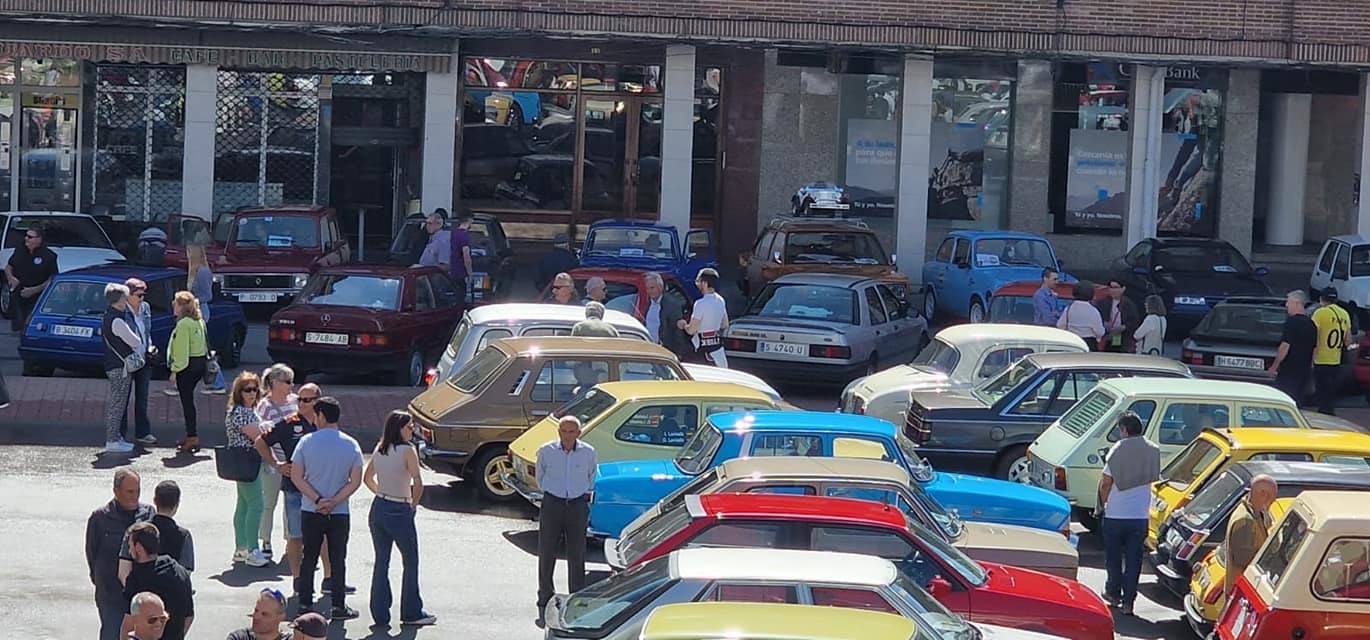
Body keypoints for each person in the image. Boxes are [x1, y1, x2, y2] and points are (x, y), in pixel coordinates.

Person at [292, 396, 364, 619]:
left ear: (321, 416)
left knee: (309, 556)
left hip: (311, 510)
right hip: (339, 511)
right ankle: (338, 606)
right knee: (338, 558)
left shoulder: (306, 442)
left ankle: (305, 603)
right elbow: (355, 480)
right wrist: (334, 501)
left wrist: (317, 499)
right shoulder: (351, 444)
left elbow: (297, 476)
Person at [254, 382, 332, 587]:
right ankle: (298, 578)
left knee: (324, 535)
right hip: (294, 490)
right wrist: (277, 464)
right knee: (295, 536)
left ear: (318, 401)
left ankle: (329, 577)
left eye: (307, 400)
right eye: (299, 399)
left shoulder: (325, 425)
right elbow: (261, 442)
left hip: (321, 489)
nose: (301, 403)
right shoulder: (288, 424)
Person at [364, 412, 436, 627]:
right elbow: (418, 482)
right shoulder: (407, 450)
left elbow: (368, 479)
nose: (411, 431)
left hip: (379, 506)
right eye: (409, 427)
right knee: (410, 561)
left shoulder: (380, 448)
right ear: (400, 429)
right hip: (399, 507)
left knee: (381, 561)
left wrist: (382, 493)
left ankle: (380, 613)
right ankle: (412, 611)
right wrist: (412, 505)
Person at [1094, 411, 1159, 615]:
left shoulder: (1117, 450)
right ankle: (1129, 602)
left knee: (1113, 557)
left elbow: (1106, 483)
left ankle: (1113, 593)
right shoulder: (1153, 450)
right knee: (1134, 560)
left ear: (1123, 430)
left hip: (1116, 515)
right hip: (1139, 516)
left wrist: (1103, 504)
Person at [535, 416, 596, 626]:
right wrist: (554, 492)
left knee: (577, 552)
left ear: (579, 433)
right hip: (553, 503)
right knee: (547, 550)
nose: (567, 436)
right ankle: (544, 595)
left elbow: (591, 476)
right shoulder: (547, 451)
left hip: (577, 505)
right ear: (558, 432)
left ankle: (576, 595)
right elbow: (540, 477)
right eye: (563, 431)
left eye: (571, 432)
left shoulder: (588, 452)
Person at [87, 468, 155, 640]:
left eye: (138, 491)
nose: (135, 496)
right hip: (111, 595)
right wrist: (101, 581)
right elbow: (92, 553)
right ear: (116, 491)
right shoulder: (100, 518)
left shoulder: (148, 514)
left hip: (142, 594)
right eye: (130, 492)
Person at [121, 522, 194, 640]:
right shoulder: (180, 572)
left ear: (138, 548)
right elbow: (189, 616)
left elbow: (129, 624)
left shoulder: (136, 579)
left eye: (130, 546)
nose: (129, 551)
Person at [255, 363, 298, 563]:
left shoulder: (295, 402)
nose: (291, 385)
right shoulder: (264, 406)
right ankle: (265, 542)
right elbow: (262, 437)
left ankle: (291, 541)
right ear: (274, 383)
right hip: (273, 462)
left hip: (293, 462)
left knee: (291, 503)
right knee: (268, 503)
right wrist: (275, 462)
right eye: (287, 381)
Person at [228, 371, 270, 568]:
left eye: (255, 389)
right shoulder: (241, 412)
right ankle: (253, 549)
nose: (252, 393)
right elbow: (258, 436)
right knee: (256, 504)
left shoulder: (245, 411)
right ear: (239, 392)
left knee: (243, 505)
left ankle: (241, 547)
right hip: (247, 462)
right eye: (247, 390)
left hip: (244, 463)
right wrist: (267, 428)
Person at [102, 283, 143, 454]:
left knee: (117, 403)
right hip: (120, 366)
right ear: (119, 301)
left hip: (115, 364)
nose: (127, 301)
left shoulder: (109, 316)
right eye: (125, 298)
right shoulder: (117, 320)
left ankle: (116, 437)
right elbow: (135, 341)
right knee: (117, 404)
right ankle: (112, 440)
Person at [1223, 474, 1279, 599]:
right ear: (1263, 494)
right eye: (1272, 497)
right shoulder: (1245, 520)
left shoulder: (1254, 513)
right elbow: (1243, 559)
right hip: (1240, 590)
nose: (1273, 501)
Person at [167, 292, 208, 453]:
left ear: (182, 306)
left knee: (187, 403)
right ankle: (191, 434)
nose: (173, 306)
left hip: (187, 367)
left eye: (176, 304)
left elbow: (182, 351)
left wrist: (175, 371)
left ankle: (192, 436)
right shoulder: (198, 321)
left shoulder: (183, 324)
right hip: (199, 365)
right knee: (188, 401)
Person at [121, 278, 157, 445]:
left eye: (144, 295)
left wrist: (150, 347)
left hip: (143, 359)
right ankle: (119, 434)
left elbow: (147, 332)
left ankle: (143, 432)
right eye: (139, 295)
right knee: (122, 398)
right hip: (127, 360)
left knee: (142, 398)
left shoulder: (145, 308)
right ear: (128, 295)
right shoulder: (121, 310)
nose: (142, 298)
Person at [186, 244, 226, 394]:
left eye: (189, 251)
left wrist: (191, 297)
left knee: (202, 349)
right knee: (196, 348)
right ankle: (214, 382)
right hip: (197, 309)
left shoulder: (201, 272)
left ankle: (218, 382)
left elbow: (206, 295)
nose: (187, 255)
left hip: (200, 310)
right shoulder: (198, 270)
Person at [5, 224, 58, 332]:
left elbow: (52, 279)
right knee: (17, 327)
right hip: (18, 294)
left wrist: (34, 290)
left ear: (39, 239)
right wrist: (11, 278)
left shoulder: (49, 256)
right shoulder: (20, 249)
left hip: (36, 297)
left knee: (30, 327)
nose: (26, 239)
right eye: (26, 235)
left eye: (30, 237)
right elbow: (9, 266)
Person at [1269, 290, 1317, 404]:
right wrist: (1311, 367)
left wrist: (1275, 366)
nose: (1286, 305)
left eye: (1288, 302)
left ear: (1297, 303)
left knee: (1283, 400)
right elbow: (1315, 348)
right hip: (1304, 371)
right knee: (1298, 401)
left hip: (1289, 371)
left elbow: (1285, 346)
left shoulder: (1291, 322)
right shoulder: (1311, 324)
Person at [1311, 288, 1351, 415]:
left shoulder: (1320, 313)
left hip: (1320, 358)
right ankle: (1329, 412)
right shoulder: (1344, 314)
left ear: (1322, 299)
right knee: (1330, 391)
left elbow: (1314, 337)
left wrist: (1311, 357)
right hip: (1335, 358)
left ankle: (1323, 414)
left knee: (1321, 390)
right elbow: (1348, 340)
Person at [679, 268, 729, 368]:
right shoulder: (720, 300)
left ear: (704, 283)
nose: (697, 284)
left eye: (698, 281)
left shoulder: (700, 304)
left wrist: (683, 325)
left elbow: (691, 330)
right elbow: (725, 324)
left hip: (702, 353)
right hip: (718, 351)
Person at [641, 272, 690, 358]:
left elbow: (677, 331)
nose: (649, 291)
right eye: (647, 288)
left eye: (652, 288)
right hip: (649, 348)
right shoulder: (648, 303)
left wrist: (678, 354)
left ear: (660, 287)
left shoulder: (672, 304)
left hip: (665, 351)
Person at [151, 481, 195, 573]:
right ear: (177, 504)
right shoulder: (183, 535)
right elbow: (186, 571)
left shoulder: (139, 530)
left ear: (155, 500)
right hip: (172, 586)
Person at [1057, 281, 1105, 350]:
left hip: (1072, 342)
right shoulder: (1093, 311)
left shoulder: (1069, 309)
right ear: (1091, 294)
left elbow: (1060, 325)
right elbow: (1100, 332)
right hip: (1089, 343)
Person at [1096, 280, 1140, 352]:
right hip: (1107, 336)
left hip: (1122, 337)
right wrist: (1104, 323)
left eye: (1115, 287)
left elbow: (1134, 322)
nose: (1113, 290)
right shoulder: (1103, 302)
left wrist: (1124, 327)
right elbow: (1097, 317)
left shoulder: (1129, 304)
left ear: (1123, 289)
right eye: (1111, 287)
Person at [448, 209, 474, 304]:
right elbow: (466, 256)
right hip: (461, 272)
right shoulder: (464, 236)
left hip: (453, 270)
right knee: (463, 299)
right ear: (469, 220)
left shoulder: (454, 233)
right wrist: (470, 273)